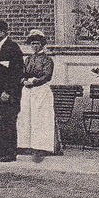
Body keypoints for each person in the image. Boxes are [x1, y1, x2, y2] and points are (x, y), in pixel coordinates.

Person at [0, 19, 24, 162]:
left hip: (7, 94)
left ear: (4, 31)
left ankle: (11, 153)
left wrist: (8, 91)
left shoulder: (12, 48)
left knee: (8, 122)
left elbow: (16, 72)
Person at [16, 30, 60, 160]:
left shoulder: (47, 60)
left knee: (40, 118)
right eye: (33, 44)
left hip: (41, 91)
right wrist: (23, 80)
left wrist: (35, 81)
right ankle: (25, 145)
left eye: (37, 43)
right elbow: (22, 72)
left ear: (42, 45)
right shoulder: (28, 59)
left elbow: (47, 75)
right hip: (27, 91)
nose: (35, 46)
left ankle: (42, 147)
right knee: (25, 116)